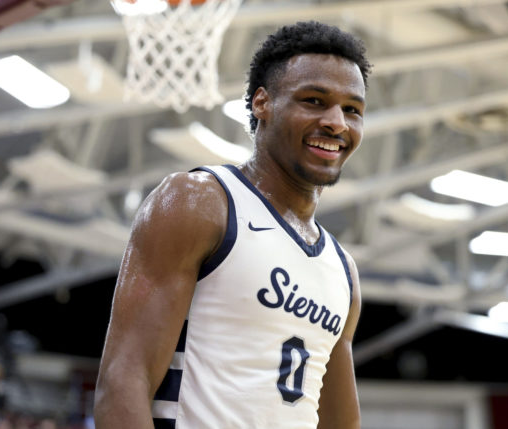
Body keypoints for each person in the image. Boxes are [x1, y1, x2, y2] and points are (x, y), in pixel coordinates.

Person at [95, 21, 371, 429]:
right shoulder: (199, 202)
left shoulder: (343, 271)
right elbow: (123, 382)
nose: (337, 122)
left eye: (352, 109)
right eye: (314, 101)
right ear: (262, 103)